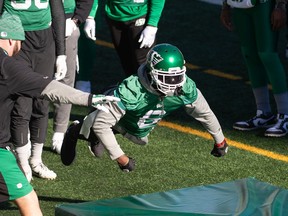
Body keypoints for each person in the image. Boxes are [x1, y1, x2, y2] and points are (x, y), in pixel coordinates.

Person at [0, 11, 119, 215]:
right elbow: (53, 90)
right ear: (11, 39)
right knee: (28, 200)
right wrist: (90, 99)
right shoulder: (8, 67)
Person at [60, 43, 229, 172]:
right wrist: (122, 159)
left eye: (177, 77)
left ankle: (97, 134)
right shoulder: (132, 90)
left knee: (139, 133)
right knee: (103, 122)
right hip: (121, 111)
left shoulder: (185, 87)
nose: (173, 84)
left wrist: (220, 140)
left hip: (137, 121)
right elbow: (101, 125)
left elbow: (205, 113)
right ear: (152, 72)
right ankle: (75, 131)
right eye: (167, 78)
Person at [2, 0, 67, 181]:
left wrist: (61, 53)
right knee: (22, 106)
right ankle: (22, 163)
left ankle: (36, 160)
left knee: (42, 103)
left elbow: (58, 12)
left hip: (44, 40)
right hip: (16, 38)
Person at [220, 0, 288, 137]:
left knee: (268, 55)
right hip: (240, 4)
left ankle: (285, 114)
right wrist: (226, 5)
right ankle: (263, 112)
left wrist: (281, 5)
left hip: (265, 3)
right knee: (250, 55)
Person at [51, 0, 95, 154]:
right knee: (35, 77)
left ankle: (60, 131)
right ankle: (28, 132)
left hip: (68, 19)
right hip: (37, 20)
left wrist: (78, 19)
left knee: (66, 81)